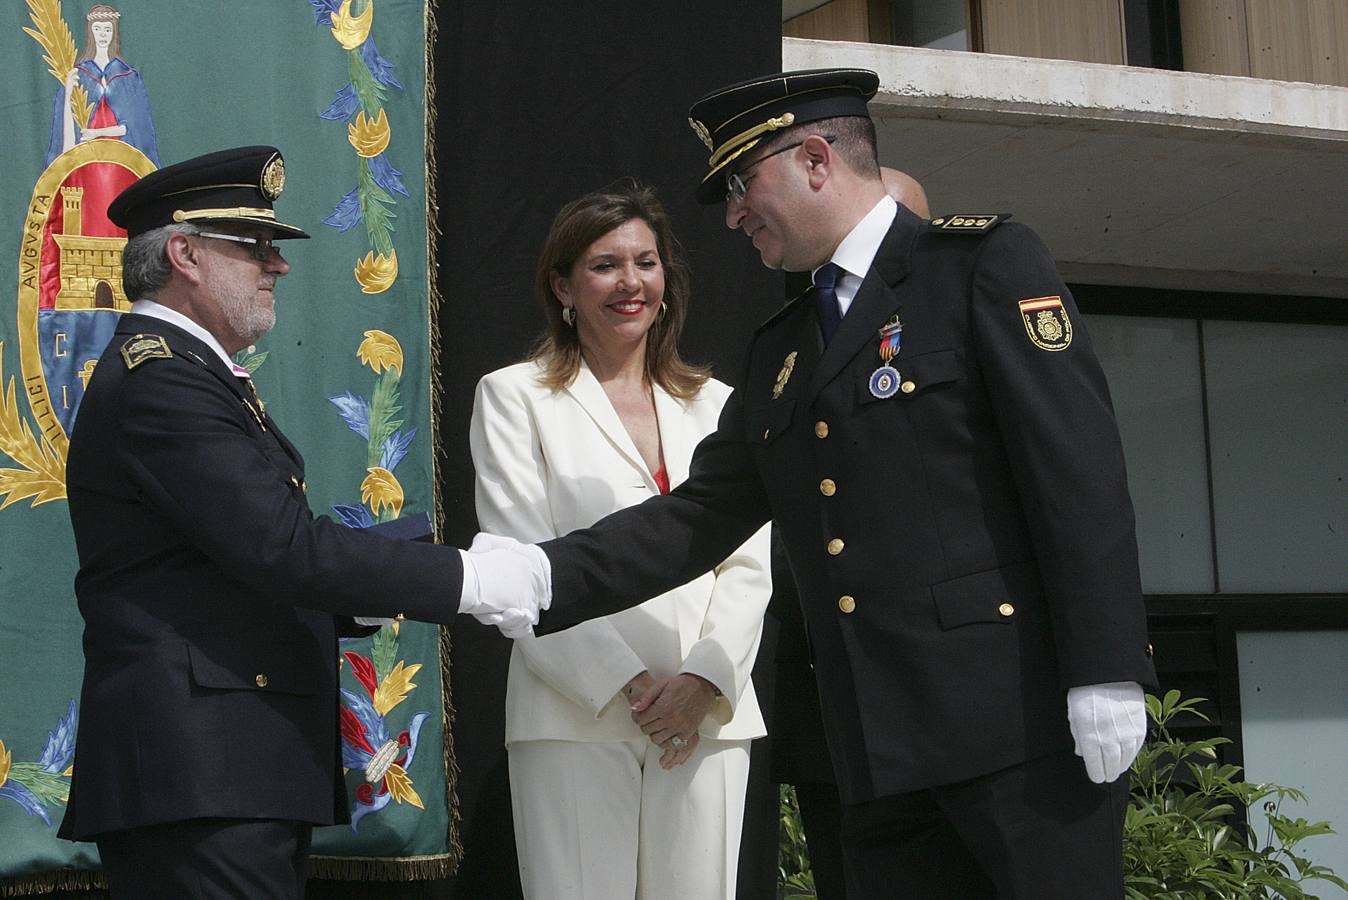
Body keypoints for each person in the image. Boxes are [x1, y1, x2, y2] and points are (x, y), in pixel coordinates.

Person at [518, 69, 1158, 898]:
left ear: (816, 159)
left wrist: (1107, 667)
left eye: (743, 186)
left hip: (1017, 737)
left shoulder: (977, 266)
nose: (735, 214)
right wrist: (530, 578)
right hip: (879, 757)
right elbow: (701, 515)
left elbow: (1079, 475)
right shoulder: (784, 344)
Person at [59, 145, 544, 899]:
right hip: (203, 775)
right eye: (252, 246)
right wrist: (471, 578)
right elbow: (280, 547)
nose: (275, 265)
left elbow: (232, 559)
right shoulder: (165, 381)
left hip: (228, 771)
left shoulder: (191, 374)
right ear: (184, 254)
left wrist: (371, 578)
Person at [469, 183, 772, 899]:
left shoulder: (721, 403)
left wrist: (702, 682)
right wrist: (632, 689)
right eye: (605, 265)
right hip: (577, 712)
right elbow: (520, 558)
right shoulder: (513, 396)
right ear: (563, 286)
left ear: (667, 282)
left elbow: (751, 564)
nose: (630, 282)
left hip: (707, 716)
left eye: (646, 262)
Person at [47, 4, 160, 166]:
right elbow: (67, 133)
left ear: (114, 33)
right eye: (97, 29)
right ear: (90, 32)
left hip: (121, 160)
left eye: (107, 30)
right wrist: (68, 92)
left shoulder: (127, 76)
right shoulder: (80, 74)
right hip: (87, 159)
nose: (102, 35)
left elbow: (133, 128)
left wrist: (96, 133)